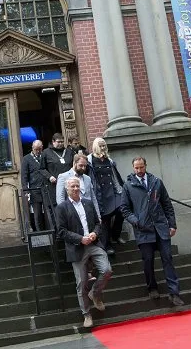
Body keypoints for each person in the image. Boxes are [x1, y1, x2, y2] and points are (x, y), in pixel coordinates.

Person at [120, 156, 185, 306]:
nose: (139, 170)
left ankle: (174, 293)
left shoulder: (156, 182)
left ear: (145, 166)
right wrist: (136, 221)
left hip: (161, 228)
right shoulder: (128, 186)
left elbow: (167, 204)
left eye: (141, 167)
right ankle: (152, 287)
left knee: (168, 259)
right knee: (148, 261)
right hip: (143, 230)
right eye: (136, 168)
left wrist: (172, 225)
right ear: (133, 168)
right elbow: (124, 209)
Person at [56, 177, 112, 328]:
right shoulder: (62, 208)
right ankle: (86, 314)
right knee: (81, 283)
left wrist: (94, 233)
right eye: (72, 186)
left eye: (77, 186)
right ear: (67, 189)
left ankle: (95, 293)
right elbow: (61, 232)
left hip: (94, 243)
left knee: (106, 270)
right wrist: (80, 239)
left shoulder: (87, 203)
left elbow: (97, 223)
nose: (75, 188)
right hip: (77, 247)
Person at [88, 137, 125, 256]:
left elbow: (114, 176)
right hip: (100, 193)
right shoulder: (90, 160)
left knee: (122, 210)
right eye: (101, 146)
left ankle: (116, 234)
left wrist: (120, 189)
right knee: (105, 220)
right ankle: (107, 245)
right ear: (95, 147)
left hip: (112, 191)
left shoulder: (109, 160)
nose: (103, 148)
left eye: (104, 145)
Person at [56, 153, 100, 220]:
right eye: (81, 165)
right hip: (73, 215)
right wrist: (65, 215)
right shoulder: (63, 177)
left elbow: (93, 198)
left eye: (85, 166)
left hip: (89, 214)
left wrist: (98, 215)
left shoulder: (88, 178)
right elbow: (60, 198)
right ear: (74, 163)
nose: (83, 168)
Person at [40, 133, 73, 206]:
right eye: (58, 142)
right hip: (54, 185)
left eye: (62, 142)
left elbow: (73, 166)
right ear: (53, 142)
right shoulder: (46, 153)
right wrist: (49, 177)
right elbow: (41, 169)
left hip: (69, 184)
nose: (60, 144)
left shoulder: (69, 152)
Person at [21, 140, 46, 231]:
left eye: (40, 149)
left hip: (46, 189)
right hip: (34, 189)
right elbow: (24, 176)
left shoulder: (44, 156)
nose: (38, 151)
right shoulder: (26, 159)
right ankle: (40, 233)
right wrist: (26, 191)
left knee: (48, 212)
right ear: (32, 148)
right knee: (37, 213)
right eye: (36, 149)